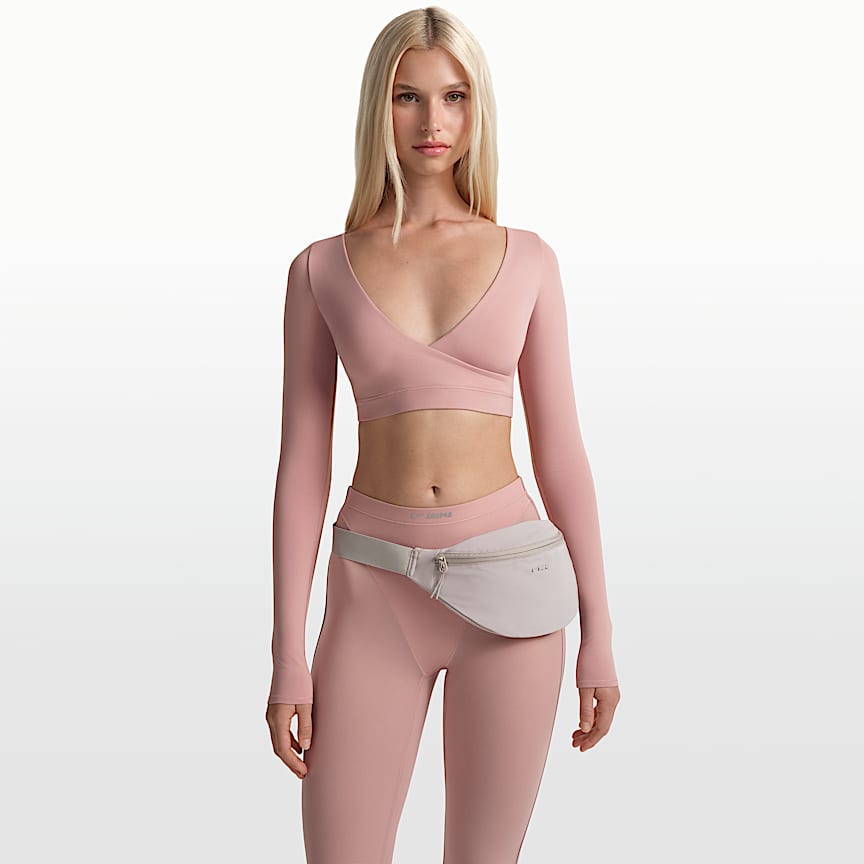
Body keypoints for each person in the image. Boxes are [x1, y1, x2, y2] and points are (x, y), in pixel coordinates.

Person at [265, 6, 621, 862]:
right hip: (371, 591)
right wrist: (287, 653)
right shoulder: (319, 268)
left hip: (513, 587)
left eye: (454, 96)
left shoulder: (528, 258)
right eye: (409, 96)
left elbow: (561, 455)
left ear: (477, 108)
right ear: (377, 108)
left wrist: (601, 636)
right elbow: (302, 466)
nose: (433, 120)